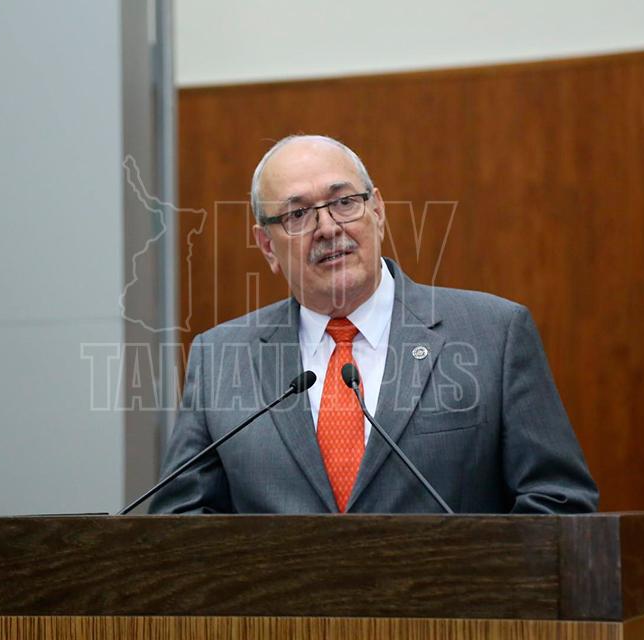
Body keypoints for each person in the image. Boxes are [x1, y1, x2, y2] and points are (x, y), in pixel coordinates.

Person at [149, 135, 598, 514]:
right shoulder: (220, 357)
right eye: (298, 214)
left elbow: (559, 502)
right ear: (267, 245)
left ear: (378, 211)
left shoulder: (493, 334)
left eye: (344, 202)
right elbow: (178, 523)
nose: (328, 228)